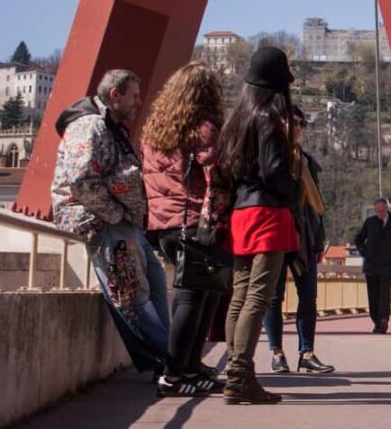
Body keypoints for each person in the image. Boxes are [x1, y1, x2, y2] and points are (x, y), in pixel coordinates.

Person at [51, 69, 169, 376]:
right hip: (98, 220)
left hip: (118, 218)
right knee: (132, 293)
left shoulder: (113, 127)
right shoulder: (89, 126)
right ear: (114, 95)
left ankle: (167, 360)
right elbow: (80, 182)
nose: (138, 103)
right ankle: (174, 364)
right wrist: (116, 215)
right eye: (134, 96)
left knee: (156, 279)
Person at [218, 46, 299, 404]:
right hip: (267, 213)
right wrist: (293, 190)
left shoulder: (237, 118)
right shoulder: (268, 117)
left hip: (240, 212)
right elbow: (274, 172)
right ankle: (240, 375)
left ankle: (236, 373)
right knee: (259, 297)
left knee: (240, 295)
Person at [141, 62, 226, 397]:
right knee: (195, 297)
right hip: (194, 222)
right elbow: (217, 173)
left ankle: (189, 368)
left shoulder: (155, 130)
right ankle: (174, 374)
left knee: (196, 293)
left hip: (164, 224)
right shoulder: (203, 129)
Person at [263, 105, 335, 374]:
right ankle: (277, 353)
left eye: (303, 123)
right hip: (278, 230)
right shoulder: (272, 159)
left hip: (304, 233)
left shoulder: (305, 161)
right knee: (273, 295)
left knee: (309, 296)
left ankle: (307, 353)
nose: (301, 128)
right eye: (295, 122)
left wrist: (318, 241)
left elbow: (316, 206)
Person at [354, 198, 391, 334]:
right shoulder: (370, 222)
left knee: (384, 294)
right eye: (377, 211)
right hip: (371, 266)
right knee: (373, 296)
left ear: (387, 209)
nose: (380, 213)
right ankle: (377, 321)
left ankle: (383, 320)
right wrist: (364, 252)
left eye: (382, 210)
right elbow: (358, 239)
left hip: (388, 266)